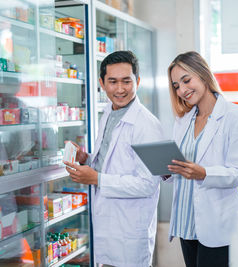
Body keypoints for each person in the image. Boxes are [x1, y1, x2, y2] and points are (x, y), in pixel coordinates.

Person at [64, 50, 164, 267]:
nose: (120, 89)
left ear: (137, 81)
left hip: (129, 233)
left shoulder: (148, 125)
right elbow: (110, 161)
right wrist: (85, 158)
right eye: (113, 81)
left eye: (126, 81)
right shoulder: (109, 112)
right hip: (108, 227)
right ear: (102, 83)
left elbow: (148, 184)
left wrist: (97, 179)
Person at [165, 51, 238, 267]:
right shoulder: (183, 120)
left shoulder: (234, 115)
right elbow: (182, 166)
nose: (183, 90)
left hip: (217, 224)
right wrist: (167, 170)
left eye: (187, 80)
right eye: (176, 85)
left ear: (203, 75)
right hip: (186, 222)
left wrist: (204, 173)